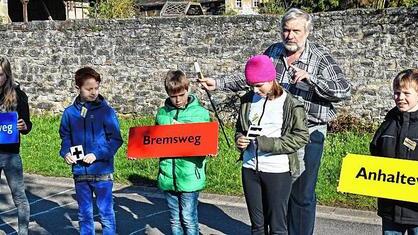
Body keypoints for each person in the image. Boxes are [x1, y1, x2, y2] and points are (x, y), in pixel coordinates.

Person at [198, 8, 351, 235]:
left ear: (307, 32)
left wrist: (312, 80)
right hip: (274, 131)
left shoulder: (320, 58)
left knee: (302, 192)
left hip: (306, 131)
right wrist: (218, 83)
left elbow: (344, 90)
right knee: (279, 192)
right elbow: (252, 76)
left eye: (296, 31)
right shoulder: (274, 51)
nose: (289, 35)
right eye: (286, 30)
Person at [235, 55, 309, 234]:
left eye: (259, 85)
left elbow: (301, 137)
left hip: (277, 170)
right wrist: (239, 139)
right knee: (257, 226)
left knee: (277, 227)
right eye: (251, 85)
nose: (255, 89)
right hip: (250, 168)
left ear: (271, 78)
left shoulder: (291, 104)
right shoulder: (247, 100)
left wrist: (267, 144)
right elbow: (240, 128)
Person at [59, 67, 123, 235]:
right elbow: (65, 137)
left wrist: (97, 154)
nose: (93, 92)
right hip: (80, 173)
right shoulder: (69, 113)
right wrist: (66, 153)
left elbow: (115, 139)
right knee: (84, 215)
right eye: (89, 89)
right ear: (77, 87)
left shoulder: (107, 112)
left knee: (106, 214)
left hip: (102, 173)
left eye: (96, 88)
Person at [156, 70, 210, 235]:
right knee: (174, 218)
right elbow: (154, 141)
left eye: (181, 94)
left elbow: (206, 142)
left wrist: (209, 149)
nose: (178, 100)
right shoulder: (162, 114)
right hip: (168, 175)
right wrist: (139, 150)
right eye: (173, 96)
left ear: (188, 89)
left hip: (189, 176)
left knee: (188, 217)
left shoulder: (200, 114)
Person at [370, 69, 418, 235]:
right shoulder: (388, 122)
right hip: (390, 206)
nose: (400, 97)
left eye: (406, 93)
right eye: (397, 93)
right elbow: (374, 152)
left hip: (416, 210)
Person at [0, 56, 32, 235]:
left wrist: (24, 126)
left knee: (19, 197)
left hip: (11, 154)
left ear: (7, 75)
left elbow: (27, 125)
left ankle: (23, 232)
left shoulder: (18, 95)